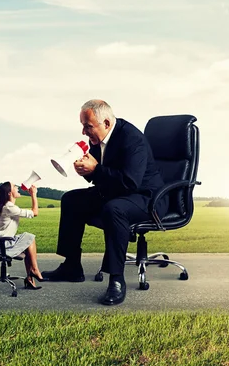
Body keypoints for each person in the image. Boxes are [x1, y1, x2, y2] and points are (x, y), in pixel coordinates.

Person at [41, 99, 168, 306]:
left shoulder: (131, 139)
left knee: (114, 209)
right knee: (71, 200)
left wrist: (96, 170)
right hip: (117, 193)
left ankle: (116, 279)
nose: (84, 132)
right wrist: (86, 171)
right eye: (82, 125)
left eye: (88, 126)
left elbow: (130, 182)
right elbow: (99, 176)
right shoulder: (97, 140)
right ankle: (72, 266)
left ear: (106, 123)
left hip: (148, 198)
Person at [0, 181, 44, 290]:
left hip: (3, 242)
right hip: (0, 245)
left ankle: (30, 278)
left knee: (29, 241)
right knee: (29, 237)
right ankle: (33, 271)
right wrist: (33, 194)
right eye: (15, 186)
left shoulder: (8, 206)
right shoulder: (9, 207)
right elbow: (35, 212)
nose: (18, 187)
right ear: (10, 193)